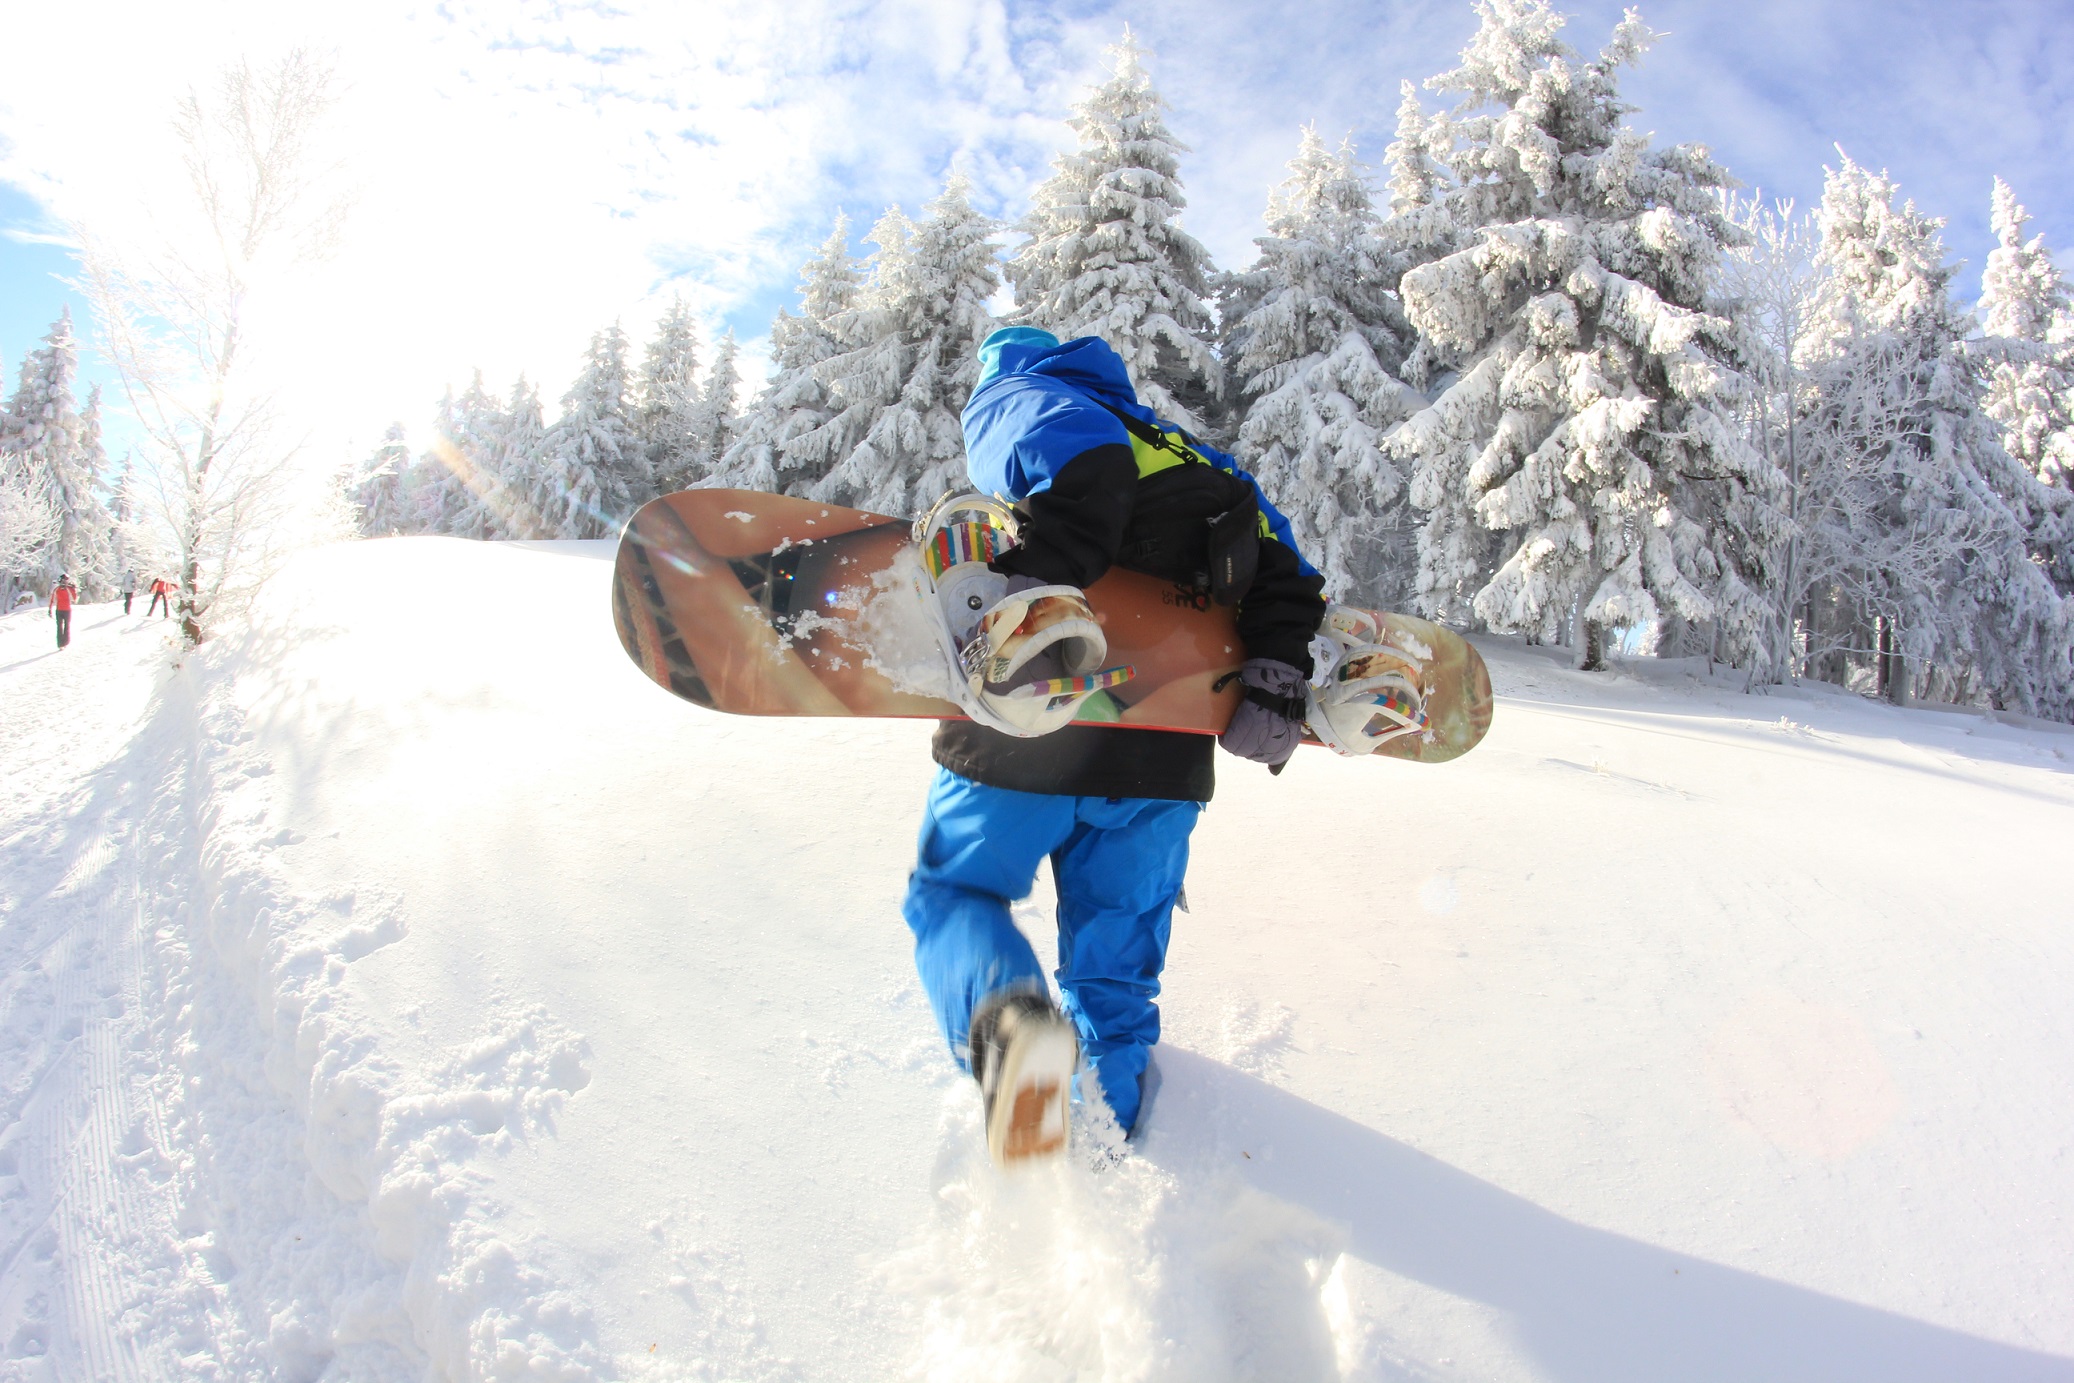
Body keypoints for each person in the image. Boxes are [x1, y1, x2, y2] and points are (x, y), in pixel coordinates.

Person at [903, 327, 1326, 1164]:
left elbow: (1085, 463)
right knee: (1117, 966)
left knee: (955, 894)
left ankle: (1013, 1041)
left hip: (1031, 721)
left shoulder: (1018, 393)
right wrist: (1276, 672)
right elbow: (1291, 574)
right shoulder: (1198, 457)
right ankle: (1108, 1133)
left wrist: (1040, 573)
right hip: (1162, 756)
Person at [48, 574, 78, 649]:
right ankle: (64, 643)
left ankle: (61, 644)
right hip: (65, 611)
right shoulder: (67, 589)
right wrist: (73, 589)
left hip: (61, 610)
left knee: (61, 627)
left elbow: (52, 600)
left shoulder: (58, 589)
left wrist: (50, 609)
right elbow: (75, 599)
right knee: (65, 627)